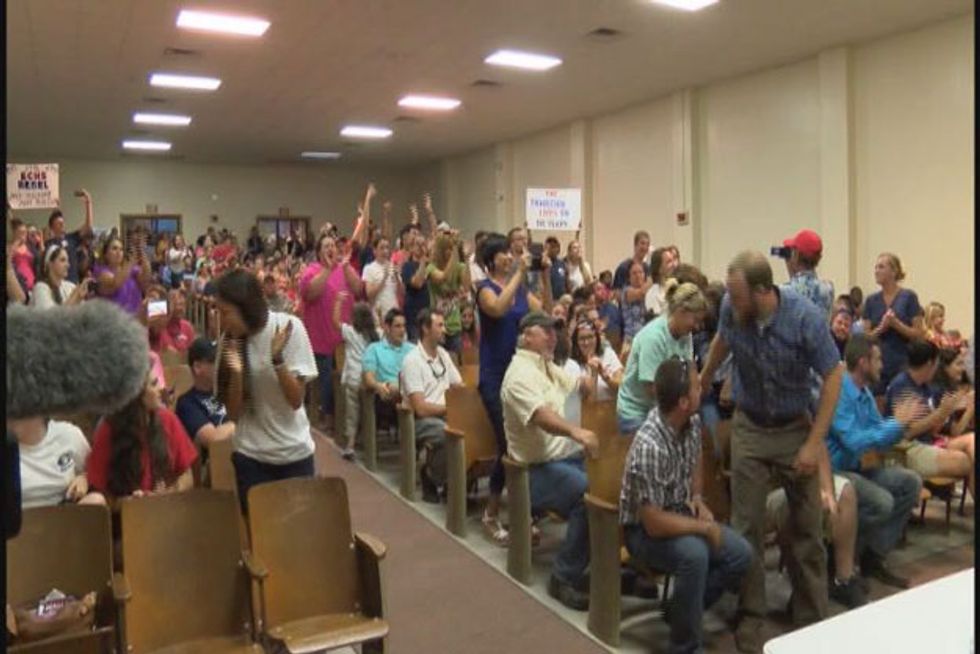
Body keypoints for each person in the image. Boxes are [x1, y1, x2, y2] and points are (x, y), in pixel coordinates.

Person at [699, 251, 843, 653]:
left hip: (794, 427)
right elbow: (722, 342)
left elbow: (834, 376)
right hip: (750, 426)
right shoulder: (732, 307)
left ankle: (812, 616)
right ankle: (751, 615)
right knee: (746, 530)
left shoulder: (804, 318)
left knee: (806, 530)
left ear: (764, 292)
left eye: (738, 295)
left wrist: (814, 443)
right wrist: (704, 379)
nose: (730, 303)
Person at [621, 357, 752, 653]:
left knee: (741, 555)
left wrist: (697, 497)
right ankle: (685, 646)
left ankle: (680, 610)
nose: (702, 388)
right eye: (696, 386)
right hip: (643, 531)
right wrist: (704, 528)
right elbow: (653, 523)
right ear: (682, 401)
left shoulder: (690, 421)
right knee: (695, 555)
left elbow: (695, 459)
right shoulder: (649, 445)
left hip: (679, 511)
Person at [501, 312, 599, 610]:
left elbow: (582, 388)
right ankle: (563, 577)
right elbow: (541, 416)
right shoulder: (519, 374)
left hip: (564, 459)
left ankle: (605, 567)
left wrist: (591, 373)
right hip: (532, 470)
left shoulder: (546, 366)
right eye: (546, 332)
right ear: (526, 336)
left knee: (612, 485)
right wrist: (575, 431)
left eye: (554, 332)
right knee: (590, 496)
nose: (553, 337)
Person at [826, 334, 926, 592]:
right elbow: (854, 442)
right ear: (863, 362)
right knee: (882, 501)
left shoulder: (864, 392)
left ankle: (873, 555)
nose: (883, 364)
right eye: (878, 359)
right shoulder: (840, 392)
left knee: (910, 483)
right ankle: (840, 559)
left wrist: (898, 425)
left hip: (859, 467)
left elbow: (878, 435)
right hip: (836, 472)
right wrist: (895, 424)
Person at [214, 270, 319, 513]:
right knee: (262, 542)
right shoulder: (229, 343)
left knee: (297, 537)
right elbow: (233, 413)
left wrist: (277, 359)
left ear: (246, 307)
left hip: (294, 454)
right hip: (251, 456)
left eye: (226, 312)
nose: (222, 320)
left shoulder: (288, 328)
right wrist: (238, 371)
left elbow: (295, 400)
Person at [475, 233, 552, 545]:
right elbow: (497, 310)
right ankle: (491, 514)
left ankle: (524, 512)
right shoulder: (484, 289)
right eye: (504, 253)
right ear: (492, 259)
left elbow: (543, 311)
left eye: (511, 253)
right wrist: (520, 271)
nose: (510, 256)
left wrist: (544, 275)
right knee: (508, 445)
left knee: (525, 444)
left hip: (520, 378)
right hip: (495, 378)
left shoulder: (519, 288)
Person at [86, 369, 198, 499]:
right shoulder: (108, 428)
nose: (161, 389)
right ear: (137, 394)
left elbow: (188, 476)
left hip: (165, 511)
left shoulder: (168, 420)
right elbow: (98, 491)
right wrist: (127, 503)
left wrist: (169, 492)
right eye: (154, 384)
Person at [885, 340, 974, 498]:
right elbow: (907, 433)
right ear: (929, 363)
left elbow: (933, 428)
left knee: (972, 445)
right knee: (966, 461)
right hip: (906, 449)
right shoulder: (902, 385)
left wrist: (950, 411)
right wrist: (940, 413)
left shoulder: (924, 387)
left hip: (926, 442)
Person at [617, 280, 708, 434]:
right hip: (637, 412)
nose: (698, 326)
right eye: (696, 320)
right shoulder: (654, 337)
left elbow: (690, 368)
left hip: (665, 407)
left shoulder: (686, 334)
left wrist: (694, 398)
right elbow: (651, 387)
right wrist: (680, 412)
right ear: (681, 311)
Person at [299, 233, 362, 433]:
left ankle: (349, 419)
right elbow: (310, 293)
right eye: (325, 246)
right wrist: (327, 269)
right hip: (320, 337)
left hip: (344, 337)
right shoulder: (311, 270)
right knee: (325, 380)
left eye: (333, 245)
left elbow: (358, 289)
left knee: (347, 377)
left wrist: (345, 267)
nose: (330, 249)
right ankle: (327, 415)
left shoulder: (345, 268)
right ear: (318, 252)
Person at [402, 309, 464, 501]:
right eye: (440, 325)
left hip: (447, 413)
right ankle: (432, 476)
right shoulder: (412, 361)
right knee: (450, 434)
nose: (444, 330)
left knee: (472, 429)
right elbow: (420, 408)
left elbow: (459, 385)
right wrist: (450, 409)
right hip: (422, 420)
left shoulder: (443, 355)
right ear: (425, 329)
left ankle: (456, 484)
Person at [861, 253, 924, 395]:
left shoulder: (909, 297)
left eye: (881, 267)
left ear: (894, 271)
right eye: (876, 267)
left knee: (900, 407)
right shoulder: (871, 300)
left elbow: (919, 334)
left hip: (903, 362)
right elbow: (866, 337)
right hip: (878, 364)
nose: (876, 271)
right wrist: (881, 328)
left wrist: (897, 325)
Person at [8, 416, 105, 508]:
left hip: (63, 514)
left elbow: (94, 475)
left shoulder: (69, 435)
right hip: (19, 517)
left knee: (96, 500)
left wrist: (84, 478)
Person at [336, 298, 380, 461]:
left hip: (354, 378)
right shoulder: (375, 334)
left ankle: (351, 444)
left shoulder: (350, 332)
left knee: (352, 413)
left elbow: (335, 322)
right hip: (370, 378)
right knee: (369, 412)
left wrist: (338, 302)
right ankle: (371, 445)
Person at [176, 337, 234, 451]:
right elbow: (213, 440)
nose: (222, 365)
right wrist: (243, 423)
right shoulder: (187, 403)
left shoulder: (229, 390)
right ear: (197, 367)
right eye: (215, 361)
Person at [562, 318, 623, 426]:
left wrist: (605, 377)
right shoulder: (572, 365)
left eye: (590, 337)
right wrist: (594, 373)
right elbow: (590, 401)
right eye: (582, 339)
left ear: (597, 338)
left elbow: (622, 387)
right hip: (585, 416)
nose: (586, 342)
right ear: (576, 342)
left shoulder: (608, 354)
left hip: (611, 413)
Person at [362, 308, 414, 424]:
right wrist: (378, 386)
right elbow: (368, 378)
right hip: (388, 396)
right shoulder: (374, 349)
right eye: (398, 326)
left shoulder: (412, 349)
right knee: (393, 388)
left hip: (413, 391)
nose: (402, 330)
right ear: (387, 328)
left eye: (404, 326)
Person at [426, 232, 471, 355]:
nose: (451, 252)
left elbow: (466, 286)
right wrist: (456, 249)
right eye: (448, 249)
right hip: (437, 325)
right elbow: (442, 277)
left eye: (452, 248)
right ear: (440, 250)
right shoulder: (431, 267)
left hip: (455, 325)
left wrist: (466, 259)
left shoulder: (459, 266)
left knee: (456, 365)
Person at [779, 229, 834, 317]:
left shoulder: (783, 292)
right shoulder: (828, 289)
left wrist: (791, 268)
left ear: (796, 255)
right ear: (819, 258)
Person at [44, 189, 94, 283]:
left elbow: (88, 226)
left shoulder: (71, 238)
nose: (62, 225)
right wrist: (55, 210)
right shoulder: (49, 243)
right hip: (57, 284)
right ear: (52, 227)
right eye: (59, 223)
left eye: (63, 222)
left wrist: (88, 202)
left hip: (73, 283)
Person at [94, 234, 151, 315]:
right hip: (115, 321)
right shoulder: (101, 271)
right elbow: (115, 284)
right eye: (114, 249)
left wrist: (142, 255)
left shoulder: (131, 269)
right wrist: (131, 262)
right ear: (105, 254)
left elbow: (145, 281)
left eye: (121, 249)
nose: (119, 252)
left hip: (135, 319)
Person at [30, 244, 92, 309]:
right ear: (50, 264)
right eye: (62, 260)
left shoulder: (70, 286)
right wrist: (76, 297)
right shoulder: (40, 288)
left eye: (68, 261)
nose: (68, 265)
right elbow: (52, 317)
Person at [362, 235, 402, 324]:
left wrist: (397, 278)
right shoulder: (369, 268)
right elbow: (369, 294)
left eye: (387, 248)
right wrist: (384, 278)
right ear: (374, 251)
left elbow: (402, 293)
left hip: (394, 315)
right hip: (379, 317)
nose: (385, 251)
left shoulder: (393, 266)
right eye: (382, 248)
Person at [401, 234, 431, 342]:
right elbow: (417, 283)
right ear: (412, 248)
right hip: (414, 317)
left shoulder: (430, 265)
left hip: (428, 315)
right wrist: (423, 261)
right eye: (418, 244)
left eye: (423, 244)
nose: (421, 247)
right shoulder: (407, 266)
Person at [620, 261, 650, 351]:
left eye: (641, 272)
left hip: (647, 338)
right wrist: (653, 276)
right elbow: (641, 293)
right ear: (629, 278)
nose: (638, 276)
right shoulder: (626, 291)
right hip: (631, 339)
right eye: (634, 273)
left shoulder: (650, 291)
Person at [643, 247, 679, 318]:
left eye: (673, 260)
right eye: (669, 262)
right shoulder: (652, 294)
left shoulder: (680, 286)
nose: (674, 265)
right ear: (659, 269)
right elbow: (657, 321)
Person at [9, 218, 37, 295]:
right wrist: (16, 243)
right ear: (14, 233)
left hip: (33, 285)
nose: (23, 235)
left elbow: (38, 262)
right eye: (21, 232)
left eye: (25, 232)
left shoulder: (30, 247)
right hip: (19, 286)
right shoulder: (10, 247)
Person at [545, 236, 568, 300]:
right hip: (548, 299)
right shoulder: (543, 264)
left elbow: (566, 282)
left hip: (561, 300)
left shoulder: (562, 263)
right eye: (550, 247)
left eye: (554, 247)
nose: (552, 250)